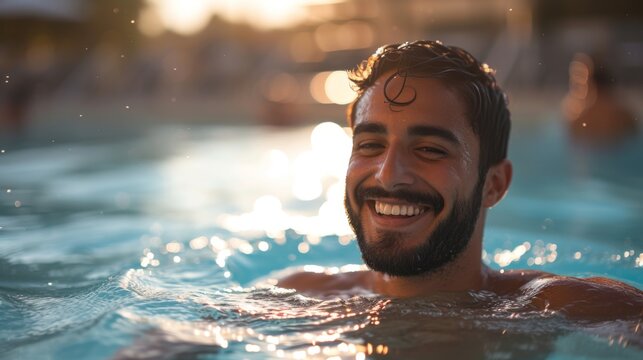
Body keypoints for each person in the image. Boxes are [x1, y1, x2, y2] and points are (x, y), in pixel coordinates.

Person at [277, 40, 642, 319]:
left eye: (430, 150)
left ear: (494, 184)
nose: (388, 174)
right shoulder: (300, 296)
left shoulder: (558, 307)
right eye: (370, 144)